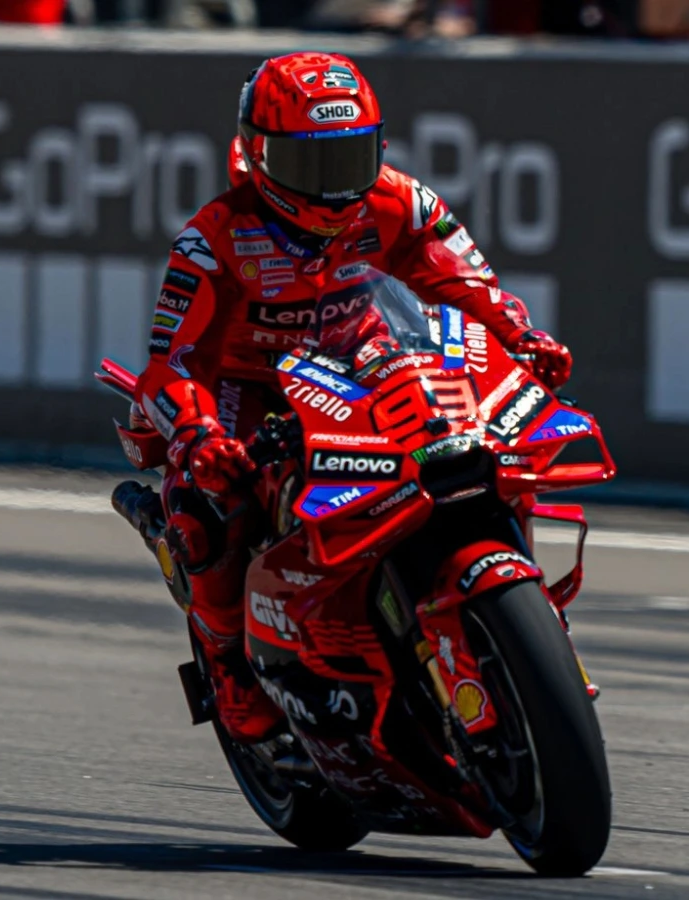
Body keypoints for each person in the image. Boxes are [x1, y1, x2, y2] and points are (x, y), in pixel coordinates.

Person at [121, 51, 571, 744]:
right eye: (312, 165)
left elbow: (466, 284)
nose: (335, 188)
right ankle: (229, 665)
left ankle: (519, 604)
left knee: (480, 437)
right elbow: (169, 364)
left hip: (360, 354)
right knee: (211, 508)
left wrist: (522, 335)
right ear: (257, 155)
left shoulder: (400, 199)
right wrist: (197, 435)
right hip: (250, 386)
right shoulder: (211, 240)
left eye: (351, 157)